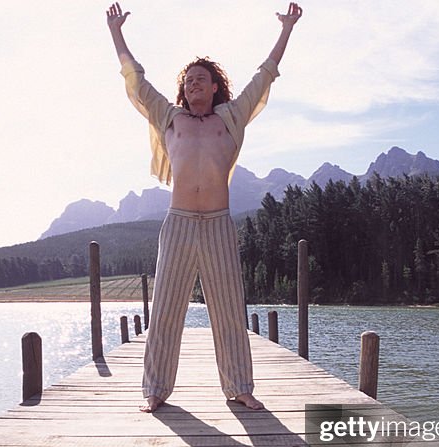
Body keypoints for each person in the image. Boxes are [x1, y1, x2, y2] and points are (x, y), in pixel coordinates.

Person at [107, 2, 302, 413]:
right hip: (178, 223)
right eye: (189, 80)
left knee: (229, 307)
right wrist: (117, 32)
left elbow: (264, 76)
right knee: (165, 309)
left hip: (217, 224)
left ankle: (240, 387)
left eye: (202, 79)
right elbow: (136, 81)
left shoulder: (232, 117)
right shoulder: (169, 118)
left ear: (215, 87)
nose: (194, 83)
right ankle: (155, 390)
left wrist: (286, 29)